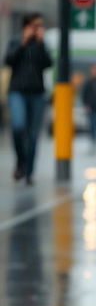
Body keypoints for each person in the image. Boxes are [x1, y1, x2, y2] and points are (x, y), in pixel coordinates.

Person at [4, 12, 52, 185]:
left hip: (37, 93)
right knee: (18, 126)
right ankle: (20, 162)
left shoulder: (41, 44)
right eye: (36, 25)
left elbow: (48, 64)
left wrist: (40, 43)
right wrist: (23, 43)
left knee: (33, 135)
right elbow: (8, 61)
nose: (40, 28)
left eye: (41, 26)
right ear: (27, 26)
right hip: (17, 91)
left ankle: (29, 172)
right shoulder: (16, 41)